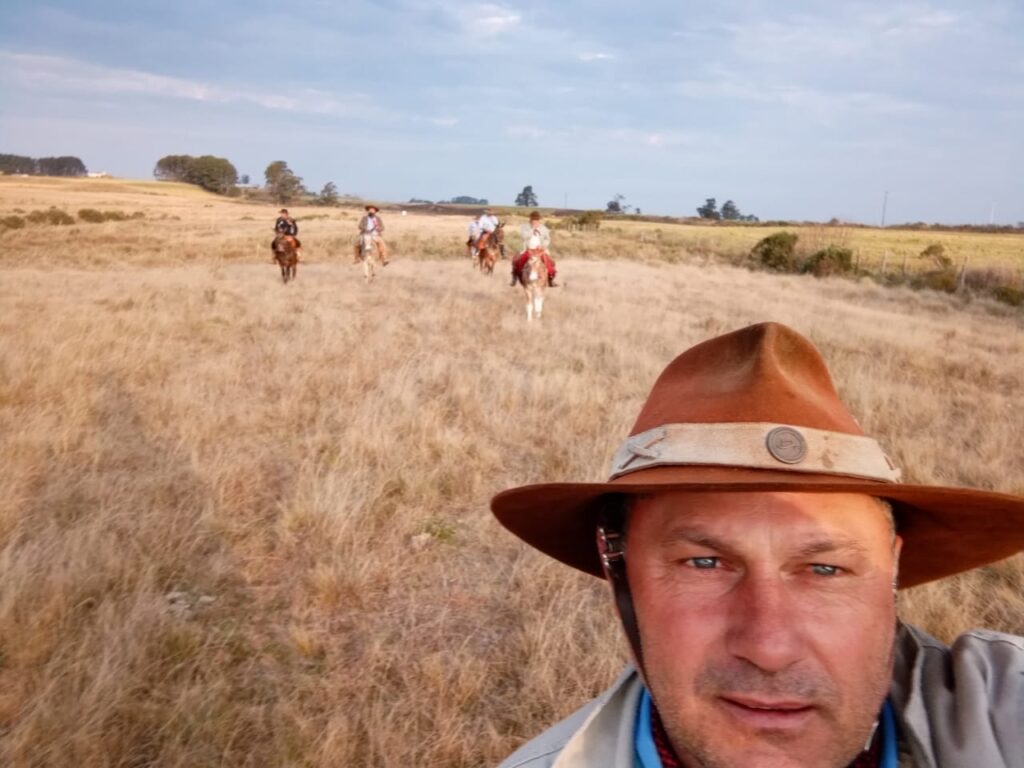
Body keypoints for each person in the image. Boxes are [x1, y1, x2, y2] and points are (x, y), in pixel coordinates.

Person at [491, 322, 1024, 768]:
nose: (770, 648)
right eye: (704, 562)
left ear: (892, 573)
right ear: (620, 579)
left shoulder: (1002, 712)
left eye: (825, 569)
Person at [511, 211, 556, 287]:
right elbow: (523, 237)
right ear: (530, 220)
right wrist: (532, 230)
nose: (535, 222)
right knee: (519, 260)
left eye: (536, 220)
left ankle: (551, 278)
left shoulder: (543, 228)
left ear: (539, 220)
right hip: (528, 249)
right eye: (533, 220)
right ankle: (516, 277)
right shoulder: (525, 227)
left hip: (540, 249)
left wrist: (543, 246)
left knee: (549, 261)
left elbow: (547, 239)